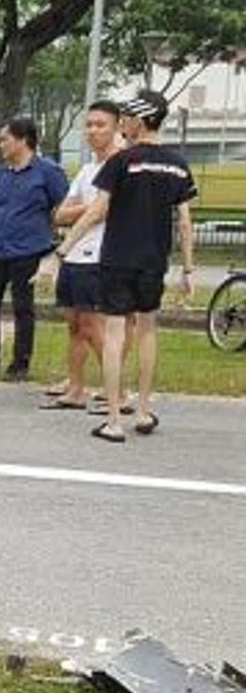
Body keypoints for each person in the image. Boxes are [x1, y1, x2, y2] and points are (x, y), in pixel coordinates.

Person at [55, 89, 198, 441]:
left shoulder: (121, 162)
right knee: (148, 331)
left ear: (138, 120)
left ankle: (115, 421)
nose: (125, 125)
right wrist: (188, 269)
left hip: (118, 258)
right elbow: (184, 221)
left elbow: (97, 210)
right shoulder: (177, 165)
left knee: (116, 335)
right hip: (154, 259)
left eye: (127, 119)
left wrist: (63, 249)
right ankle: (144, 410)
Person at [0, 117, 68, 382]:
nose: (0, 145)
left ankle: (20, 363)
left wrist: (57, 243)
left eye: (5, 139)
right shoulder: (1, 174)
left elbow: (63, 207)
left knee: (23, 307)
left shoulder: (48, 172)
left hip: (29, 250)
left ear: (22, 140)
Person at [37, 100, 122, 411]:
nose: (93, 131)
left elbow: (105, 213)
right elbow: (60, 214)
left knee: (93, 326)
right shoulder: (88, 170)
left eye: (101, 125)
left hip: (100, 255)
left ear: (116, 128)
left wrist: (97, 208)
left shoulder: (120, 166)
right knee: (74, 324)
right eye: (89, 124)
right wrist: (94, 206)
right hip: (74, 254)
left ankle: (116, 390)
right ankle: (75, 387)